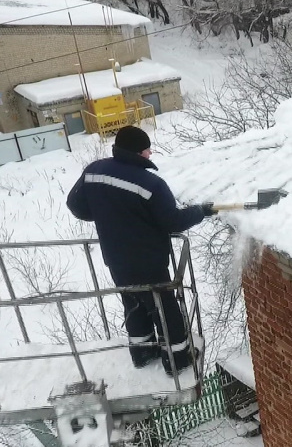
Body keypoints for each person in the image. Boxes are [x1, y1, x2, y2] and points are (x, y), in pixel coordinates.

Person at [66, 125, 214, 375]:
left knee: (133, 302)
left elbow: (76, 205)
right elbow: (173, 221)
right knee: (164, 308)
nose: (150, 154)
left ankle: (142, 352)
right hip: (148, 260)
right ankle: (178, 359)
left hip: (115, 258)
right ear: (137, 152)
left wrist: (108, 214)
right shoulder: (150, 184)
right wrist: (200, 212)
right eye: (147, 150)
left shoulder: (93, 171)